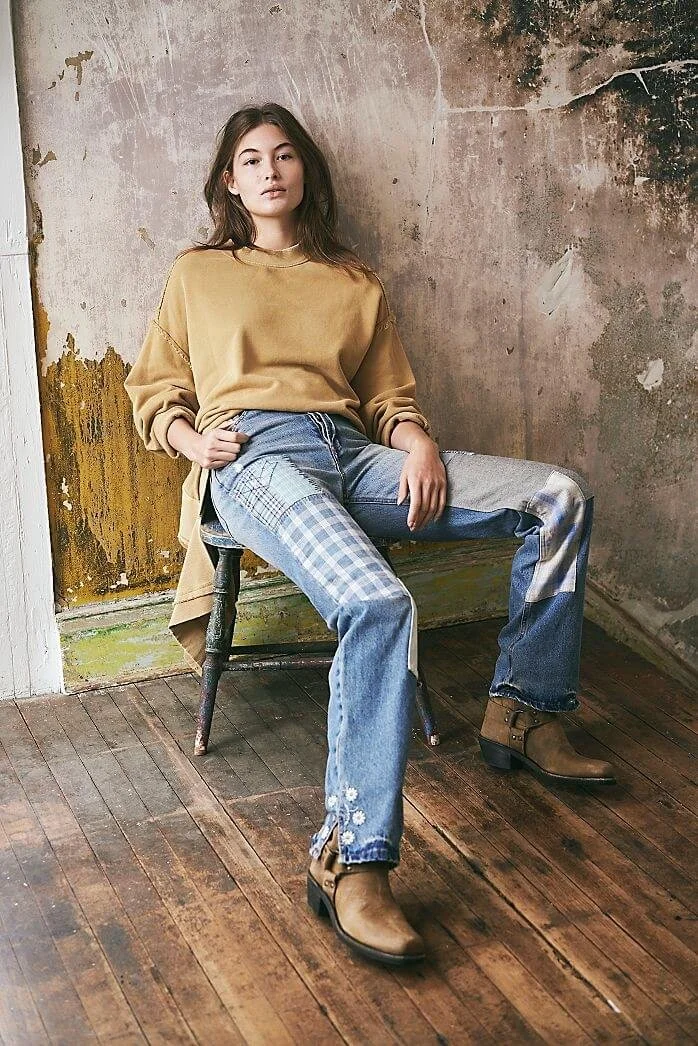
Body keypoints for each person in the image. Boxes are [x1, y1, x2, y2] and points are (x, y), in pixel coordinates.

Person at [124, 102, 615, 967]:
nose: (270, 169)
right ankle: (352, 857)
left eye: (284, 155)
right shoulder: (197, 275)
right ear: (229, 183)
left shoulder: (353, 281)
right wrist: (196, 440)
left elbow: (389, 397)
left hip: (353, 453)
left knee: (558, 497)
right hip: (256, 461)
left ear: (305, 171)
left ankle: (526, 711)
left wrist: (418, 442)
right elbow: (154, 390)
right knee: (379, 600)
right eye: (250, 159)